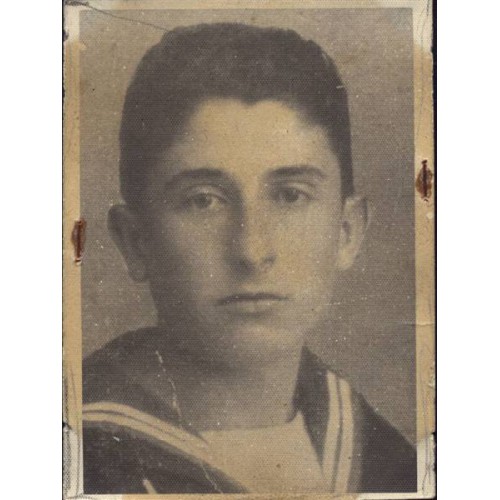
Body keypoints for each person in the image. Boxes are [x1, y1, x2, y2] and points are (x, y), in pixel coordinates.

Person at [82, 22, 416, 494]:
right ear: (135, 241)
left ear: (346, 231)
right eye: (203, 200)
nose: (252, 251)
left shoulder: (394, 466)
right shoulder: (69, 455)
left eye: (291, 195)